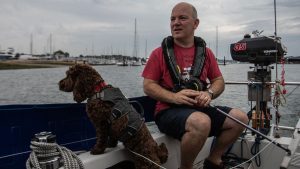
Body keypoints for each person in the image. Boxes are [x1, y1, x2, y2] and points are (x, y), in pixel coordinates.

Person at [142, 2, 249, 169]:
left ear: (196, 23)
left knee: (240, 118)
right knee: (201, 122)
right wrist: (174, 97)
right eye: (172, 19)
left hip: (199, 108)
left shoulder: (206, 53)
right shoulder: (158, 53)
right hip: (167, 112)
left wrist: (210, 94)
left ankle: (213, 160)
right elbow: (148, 85)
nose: (175, 23)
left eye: (182, 18)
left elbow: (218, 81)